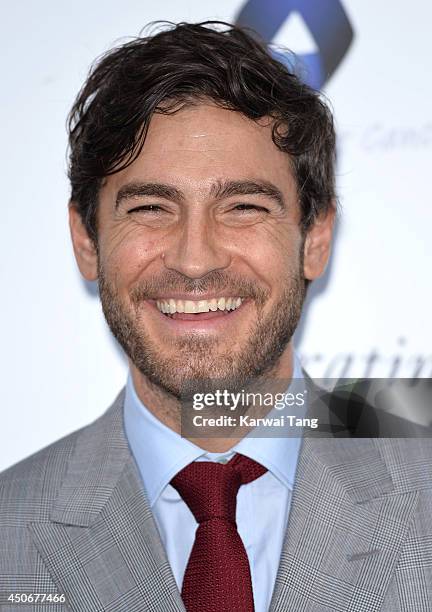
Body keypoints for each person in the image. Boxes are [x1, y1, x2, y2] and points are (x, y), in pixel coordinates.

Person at [0, 21, 431, 612]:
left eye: (243, 206)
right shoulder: (8, 532)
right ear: (86, 240)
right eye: (152, 207)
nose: (194, 259)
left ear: (316, 238)